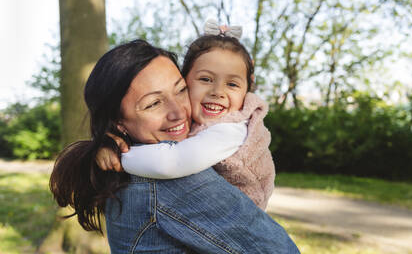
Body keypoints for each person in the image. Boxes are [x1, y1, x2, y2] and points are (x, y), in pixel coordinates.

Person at [49, 39, 299, 253]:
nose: (178, 113)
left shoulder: (129, 166)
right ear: (118, 122)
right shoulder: (169, 180)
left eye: (181, 91)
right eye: (153, 104)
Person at [99, 19, 275, 210]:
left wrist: (122, 156)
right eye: (206, 79)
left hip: (240, 220)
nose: (217, 91)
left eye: (232, 84)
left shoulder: (232, 130)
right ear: (186, 78)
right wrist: (107, 145)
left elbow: (173, 161)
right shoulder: (198, 123)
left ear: (247, 88)